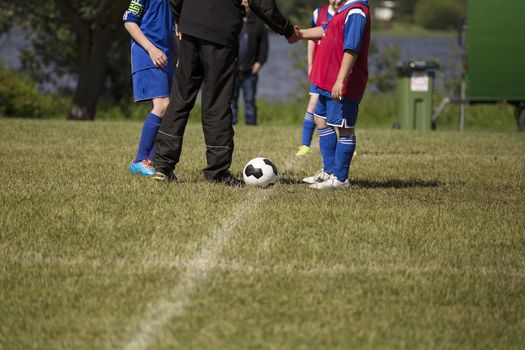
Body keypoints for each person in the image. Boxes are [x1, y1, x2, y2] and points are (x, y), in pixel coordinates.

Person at [153, 0, 299, 185]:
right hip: (220, 32)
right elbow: (262, 3)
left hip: (190, 27)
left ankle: (162, 167)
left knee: (180, 98)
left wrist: (180, 20)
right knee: (217, 102)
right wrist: (286, 30)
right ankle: (217, 171)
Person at [298, 0, 371, 189]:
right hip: (326, 79)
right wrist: (300, 34)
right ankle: (329, 171)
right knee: (320, 119)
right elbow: (325, 29)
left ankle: (340, 179)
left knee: (344, 128)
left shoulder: (357, 11)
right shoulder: (344, 9)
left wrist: (340, 79)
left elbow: (352, 48)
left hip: (343, 81)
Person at [123, 0, 174, 176]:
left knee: (168, 110)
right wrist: (151, 49)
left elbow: (172, 30)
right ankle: (139, 160)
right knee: (163, 104)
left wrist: (180, 53)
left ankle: (153, 163)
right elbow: (129, 22)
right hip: (147, 54)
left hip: (166, 56)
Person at [296, 0, 343, 157]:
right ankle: (305, 144)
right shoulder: (319, 13)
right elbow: (311, 38)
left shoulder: (347, 13)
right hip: (321, 69)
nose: (337, 1)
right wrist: (310, 64)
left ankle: (345, 142)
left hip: (337, 70)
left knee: (339, 108)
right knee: (314, 103)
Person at [231, 0, 269, 126]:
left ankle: (251, 123)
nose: (245, 3)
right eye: (242, 1)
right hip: (233, 69)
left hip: (250, 70)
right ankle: (231, 122)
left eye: (247, 1)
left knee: (250, 100)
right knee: (231, 100)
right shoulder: (232, 20)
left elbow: (264, 46)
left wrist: (259, 63)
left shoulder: (258, 23)